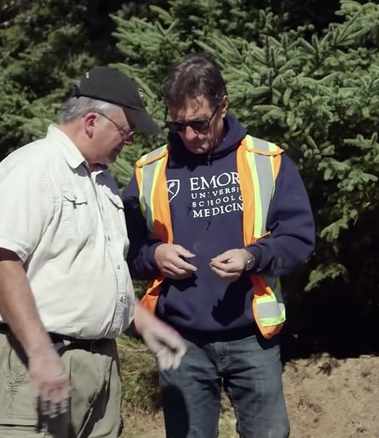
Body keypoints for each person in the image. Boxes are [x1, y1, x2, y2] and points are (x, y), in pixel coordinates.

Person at [0, 66, 187, 438]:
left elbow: (101, 274)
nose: (129, 143)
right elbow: (3, 266)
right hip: (41, 360)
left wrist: (145, 324)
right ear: (91, 121)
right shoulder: (32, 170)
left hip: (101, 365)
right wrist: (41, 354)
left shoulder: (102, 181)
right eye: (125, 132)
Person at [122, 54, 315, 438]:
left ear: (223, 105)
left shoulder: (266, 160)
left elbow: (299, 239)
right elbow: (125, 247)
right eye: (179, 125)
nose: (190, 135)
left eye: (199, 122)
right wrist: (153, 255)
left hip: (252, 337)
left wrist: (252, 257)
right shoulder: (150, 170)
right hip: (182, 340)